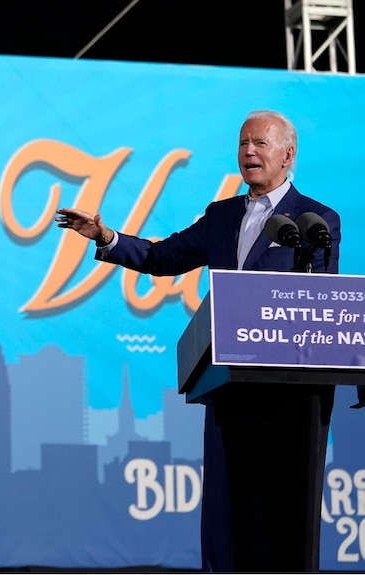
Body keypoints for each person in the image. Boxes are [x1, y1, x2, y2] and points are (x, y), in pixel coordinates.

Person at [56, 110, 341, 572]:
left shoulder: (317, 220)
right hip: (229, 383)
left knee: (286, 516)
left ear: (288, 154)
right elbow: (160, 256)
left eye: (260, 144)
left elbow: (319, 299)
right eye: (243, 143)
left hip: (292, 393)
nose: (248, 151)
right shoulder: (222, 215)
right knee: (229, 518)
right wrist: (106, 237)